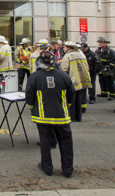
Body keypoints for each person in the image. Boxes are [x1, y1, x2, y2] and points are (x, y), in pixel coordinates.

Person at [26, 47, 76, 177]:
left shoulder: (35, 77)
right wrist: (66, 105)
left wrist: (32, 107)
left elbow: (29, 96)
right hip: (62, 116)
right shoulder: (64, 76)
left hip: (43, 117)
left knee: (45, 142)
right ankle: (68, 170)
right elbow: (72, 94)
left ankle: (47, 167)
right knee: (66, 142)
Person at [60, 41, 91, 122]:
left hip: (72, 81)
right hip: (81, 81)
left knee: (71, 100)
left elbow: (64, 69)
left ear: (69, 47)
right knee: (78, 99)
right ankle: (79, 116)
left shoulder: (68, 56)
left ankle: (72, 117)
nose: (63, 48)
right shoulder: (81, 54)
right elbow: (87, 67)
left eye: (64, 47)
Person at [95, 36, 115, 101]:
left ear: (105, 43)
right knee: (102, 81)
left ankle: (112, 95)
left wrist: (109, 67)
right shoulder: (98, 51)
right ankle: (104, 93)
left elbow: (114, 61)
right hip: (101, 70)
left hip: (108, 71)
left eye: (101, 42)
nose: (100, 43)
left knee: (110, 82)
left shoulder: (110, 52)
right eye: (99, 42)